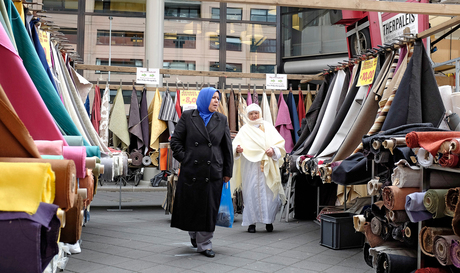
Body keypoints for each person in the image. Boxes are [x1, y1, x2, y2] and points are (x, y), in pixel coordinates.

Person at [170, 87, 233, 258]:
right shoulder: (188, 116)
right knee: (192, 206)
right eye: (213, 98)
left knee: (209, 208)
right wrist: (186, 158)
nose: (216, 101)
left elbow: (227, 147)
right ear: (204, 99)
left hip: (213, 172)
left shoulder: (221, 119)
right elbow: (175, 141)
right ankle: (194, 234)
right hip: (191, 170)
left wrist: (227, 171)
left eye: (218, 98)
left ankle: (205, 244)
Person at [232, 103, 286, 233]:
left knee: (269, 194)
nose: (254, 115)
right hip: (250, 166)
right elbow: (235, 145)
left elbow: (279, 144)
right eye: (251, 113)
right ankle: (251, 223)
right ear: (248, 115)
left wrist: (273, 151)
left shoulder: (268, 127)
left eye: (256, 113)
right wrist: (237, 149)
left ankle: (269, 221)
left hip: (267, 166)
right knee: (250, 193)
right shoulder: (244, 129)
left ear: (260, 113)